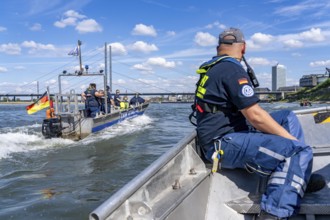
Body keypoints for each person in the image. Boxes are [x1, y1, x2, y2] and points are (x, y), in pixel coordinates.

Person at [193, 27, 313, 220]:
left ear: (219, 47)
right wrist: (294, 144)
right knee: (299, 151)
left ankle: (297, 175)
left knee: (288, 116)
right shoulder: (231, 69)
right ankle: (275, 213)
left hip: (229, 133)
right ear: (244, 48)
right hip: (222, 143)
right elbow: (255, 116)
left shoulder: (216, 67)